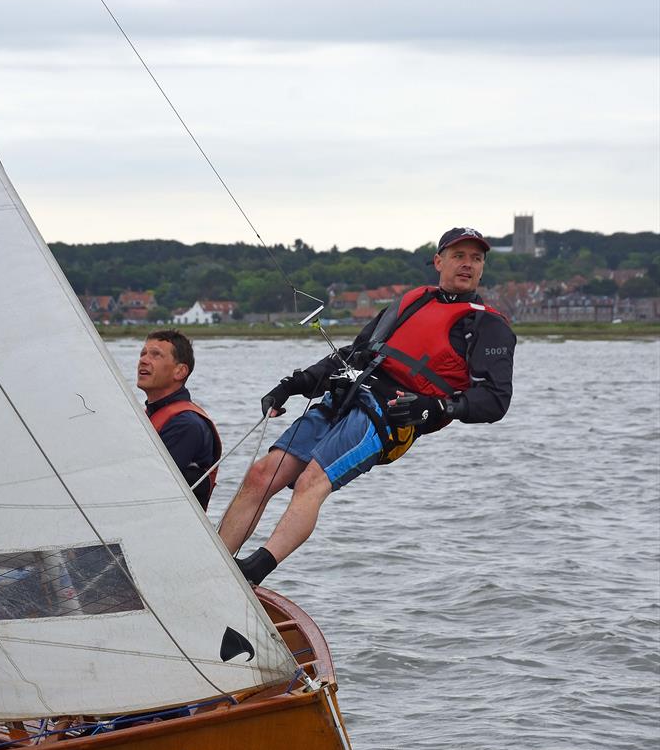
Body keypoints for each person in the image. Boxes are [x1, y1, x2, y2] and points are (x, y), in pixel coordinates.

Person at [219, 227, 516, 583]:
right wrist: (293, 385)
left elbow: (495, 400)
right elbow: (354, 354)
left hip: (389, 416)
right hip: (347, 394)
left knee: (311, 481)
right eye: (458, 256)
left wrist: (437, 409)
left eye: (476, 258)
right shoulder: (410, 302)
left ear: (483, 267)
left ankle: (254, 571)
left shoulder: (487, 325)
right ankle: (215, 565)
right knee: (261, 475)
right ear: (439, 261)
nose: (467, 264)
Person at [137, 330, 222, 510]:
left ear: (180, 371)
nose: (143, 360)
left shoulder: (186, 424)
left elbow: (149, 486)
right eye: (143, 354)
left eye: (156, 355)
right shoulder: (147, 416)